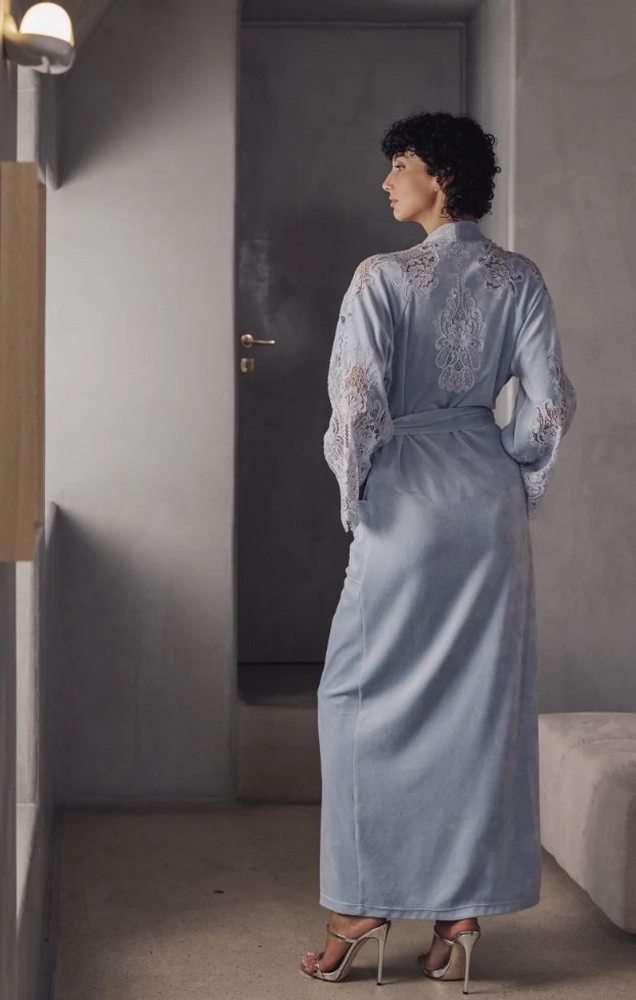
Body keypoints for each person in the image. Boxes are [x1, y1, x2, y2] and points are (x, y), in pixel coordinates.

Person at [299, 111, 577, 990]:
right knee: (478, 707)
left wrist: (357, 493)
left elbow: (357, 404)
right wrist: (511, 476)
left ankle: (360, 907)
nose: (388, 180)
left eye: (402, 164)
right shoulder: (520, 278)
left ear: (442, 176)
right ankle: (458, 919)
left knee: (355, 697)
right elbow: (548, 406)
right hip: (487, 501)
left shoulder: (380, 277)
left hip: (406, 499)